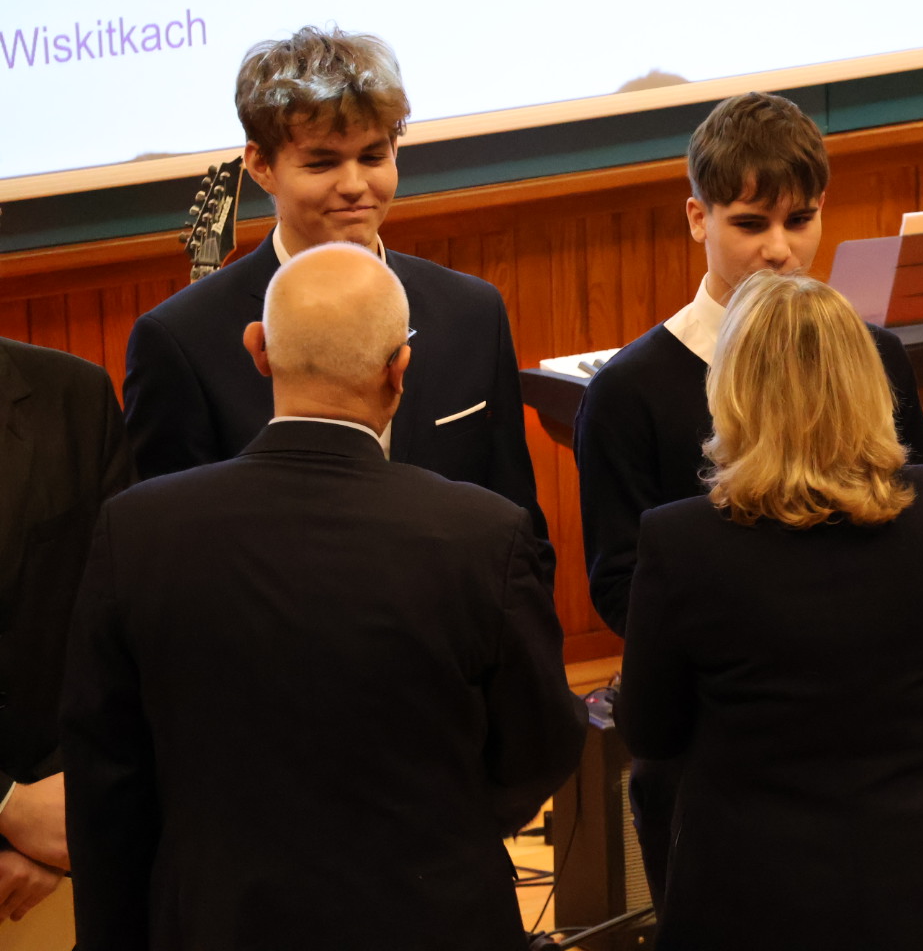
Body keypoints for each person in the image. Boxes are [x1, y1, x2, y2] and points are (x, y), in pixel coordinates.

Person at [61, 243, 586, 951]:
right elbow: (541, 747)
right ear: (400, 368)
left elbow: (107, 777)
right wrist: (438, 825)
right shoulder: (485, 536)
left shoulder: (136, 531)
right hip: (434, 916)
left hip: (220, 920)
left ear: (258, 350)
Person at [571, 90, 923, 906]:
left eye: (800, 220)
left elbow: (916, 526)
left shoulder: (875, 358)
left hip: (875, 744)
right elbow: (621, 582)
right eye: (749, 223)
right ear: (697, 219)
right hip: (719, 751)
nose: (779, 249)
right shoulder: (630, 391)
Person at [615, 271, 923, 950]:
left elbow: (651, 732)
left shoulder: (680, 540)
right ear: (869, 382)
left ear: (732, 392)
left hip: (752, 894)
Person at [122, 25, 543, 531]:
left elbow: (518, 527)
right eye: (322, 163)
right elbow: (169, 541)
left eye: (373, 156)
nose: (354, 185)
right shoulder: (179, 340)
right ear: (261, 165)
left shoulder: (472, 312)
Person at [0, 338, 131, 923]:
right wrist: (6, 807)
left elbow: (119, 622)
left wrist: (59, 820)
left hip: (61, 862)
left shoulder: (74, 395)